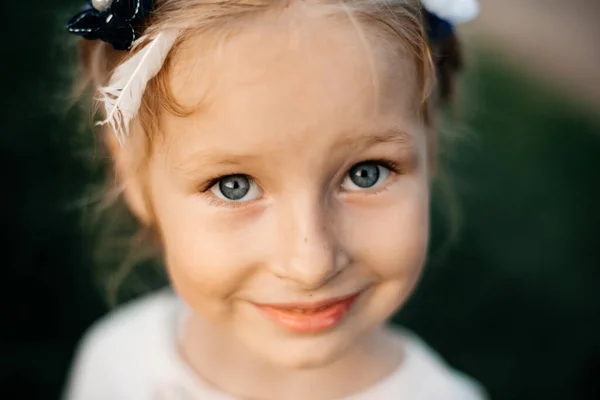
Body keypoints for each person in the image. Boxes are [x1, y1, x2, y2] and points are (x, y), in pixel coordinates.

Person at [63, 0, 487, 398]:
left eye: (365, 174)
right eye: (234, 185)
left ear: (428, 152)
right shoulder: (117, 364)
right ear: (132, 178)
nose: (311, 265)